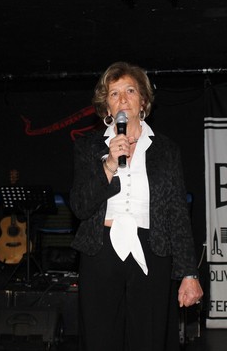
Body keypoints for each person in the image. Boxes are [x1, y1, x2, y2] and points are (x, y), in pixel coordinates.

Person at [69, 62, 203, 351]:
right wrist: (108, 165)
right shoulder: (88, 147)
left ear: (143, 101)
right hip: (100, 250)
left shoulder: (166, 150)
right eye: (114, 93)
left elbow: (178, 213)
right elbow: (80, 207)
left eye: (130, 91)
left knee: (149, 337)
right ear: (106, 106)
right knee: (100, 338)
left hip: (152, 250)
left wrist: (189, 274)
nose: (122, 99)